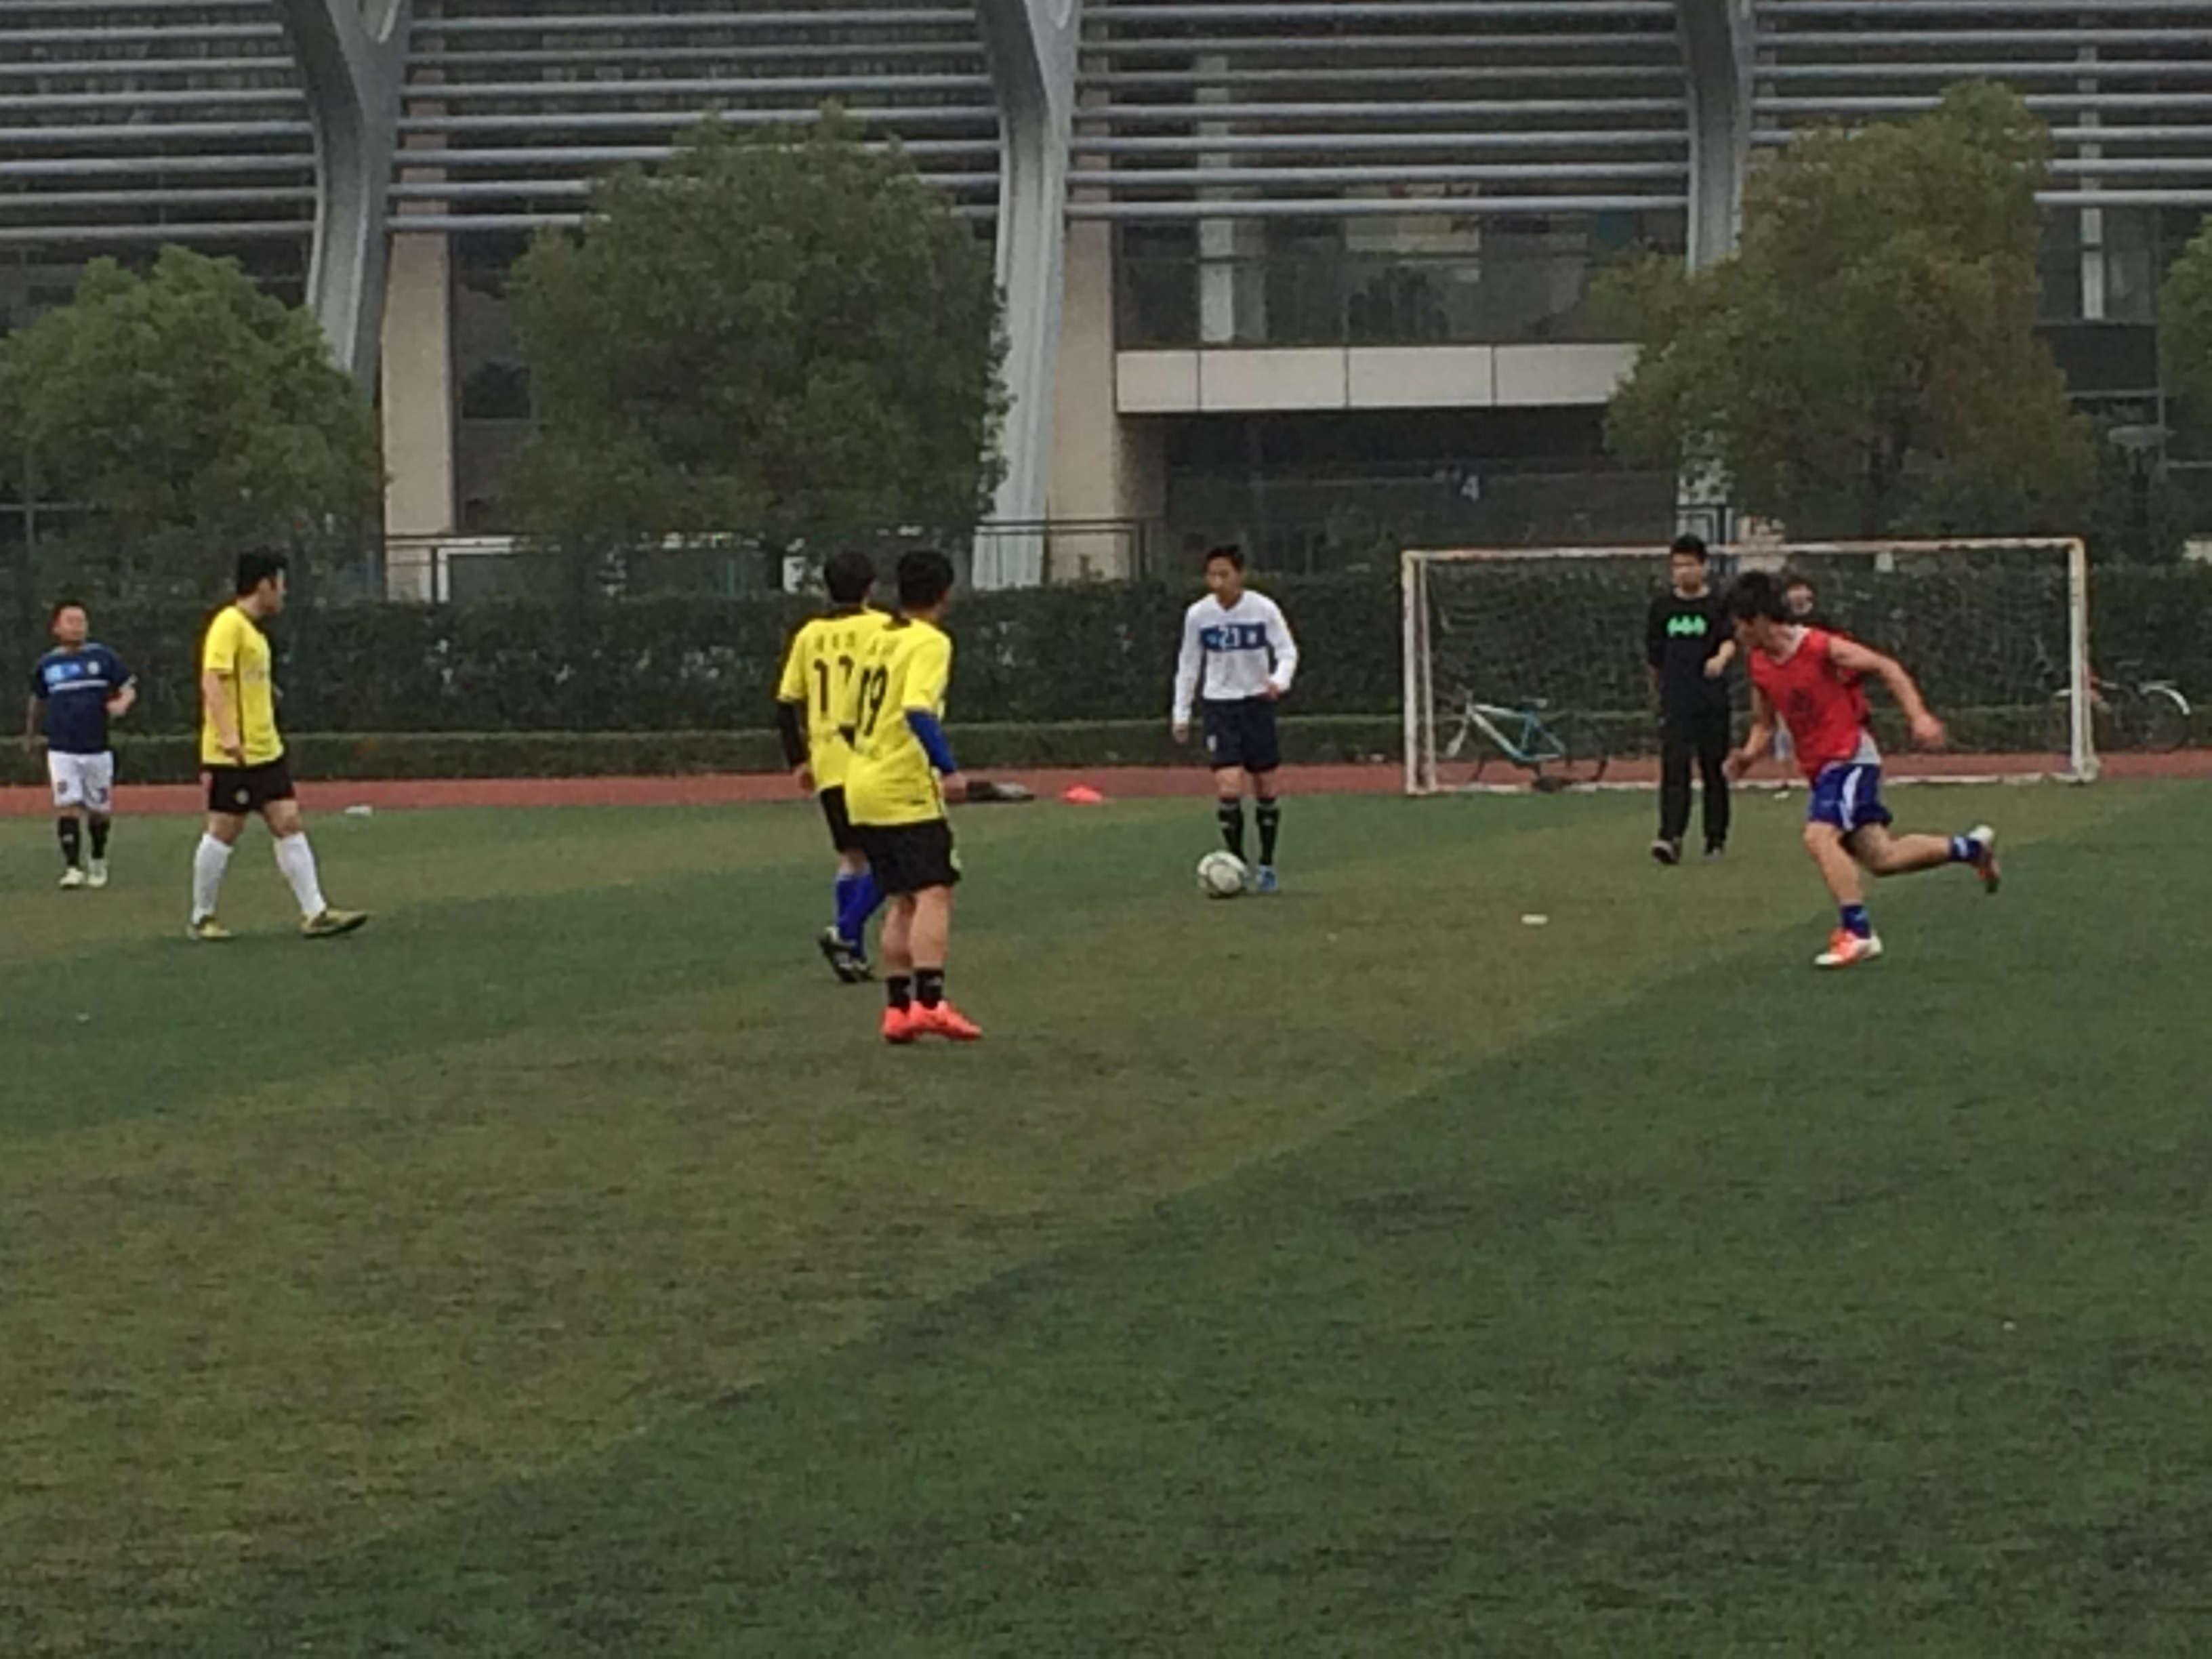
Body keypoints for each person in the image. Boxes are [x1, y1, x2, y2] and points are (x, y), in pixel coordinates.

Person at [1723, 569, 2000, 969]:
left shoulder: (1819, 647)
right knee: (1882, 858)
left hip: (1850, 756)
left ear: (1760, 619)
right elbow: (1765, 724)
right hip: (1820, 769)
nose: (1736, 634)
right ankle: (1970, 849)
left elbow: (1887, 667)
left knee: (1819, 836)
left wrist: (1918, 716)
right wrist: (1748, 756)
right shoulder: (1759, 665)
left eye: (1739, 624)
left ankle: (1858, 933)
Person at [188, 550, 367, 942]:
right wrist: (228, 736)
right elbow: (212, 679)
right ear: (264, 585)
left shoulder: (253, 633)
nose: (283, 592)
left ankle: (316, 913)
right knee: (223, 829)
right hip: (235, 755)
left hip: (266, 749)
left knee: (287, 820)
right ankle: (202, 916)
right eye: (280, 584)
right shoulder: (228, 624)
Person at [840, 549, 980, 1044]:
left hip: (861, 782)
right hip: (903, 787)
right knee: (934, 890)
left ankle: (898, 1010)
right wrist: (949, 769)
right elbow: (918, 710)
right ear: (946, 593)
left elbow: (847, 719)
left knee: (900, 897)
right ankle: (931, 1003)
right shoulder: (930, 642)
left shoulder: (877, 638)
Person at [775, 550, 891, 982]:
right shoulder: (884, 628)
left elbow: (786, 704)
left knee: (852, 857)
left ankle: (851, 955)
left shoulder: (809, 635)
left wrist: (798, 759)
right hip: (873, 759)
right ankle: (844, 931)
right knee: (893, 859)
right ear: (870, 588)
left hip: (828, 762)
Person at [1170, 544, 1299, 893]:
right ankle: (1236, 862)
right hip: (1219, 706)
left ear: (1239, 575)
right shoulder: (1199, 615)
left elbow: (1287, 650)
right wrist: (1181, 713)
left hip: (1256, 704)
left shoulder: (1263, 609)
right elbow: (1188, 665)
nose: (1217, 582)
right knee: (1229, 785)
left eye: (1224, 575)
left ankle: (1267, 865)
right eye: (1211, 575)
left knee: (1265, 786)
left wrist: (1279, 681)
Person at [24, 600, 136, 890]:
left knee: (99, 810)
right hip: (62, 747)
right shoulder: (47, 664)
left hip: (97, 747)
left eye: (81, 621)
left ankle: (97, 858)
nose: (77, 627)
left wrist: (122, 703)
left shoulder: (103, 657)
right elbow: (37, 700)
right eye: (71, 621)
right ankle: (72, 867)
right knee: (66, 805)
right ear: (57, 627)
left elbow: (128, 687)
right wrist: (31, 735)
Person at [1645, 533, 1736, 865]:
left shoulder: (1717, 605)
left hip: (1711, 700)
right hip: (1677, 700)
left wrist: (1720, 660)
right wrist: (1657, 694)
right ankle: (1670, 835)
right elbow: (1654, 657)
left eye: (1689, 565)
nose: (1683, 572)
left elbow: (1730, 640)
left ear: (1703, 567)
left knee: (1714, 768)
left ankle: (1715, 838)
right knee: (1674, 767)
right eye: (1677, 566)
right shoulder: (1662, 608)